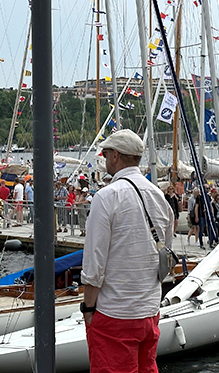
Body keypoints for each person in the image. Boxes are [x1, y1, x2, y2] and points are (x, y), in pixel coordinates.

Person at [81, 129, 173, 373]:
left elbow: (94, 263)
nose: (104, 158)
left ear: (115, 156)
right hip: (148, 311)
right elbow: (166, 253)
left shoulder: (107, 197)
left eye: (105, 153)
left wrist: (88, 309)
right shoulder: (158, 196)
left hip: (115, 312)